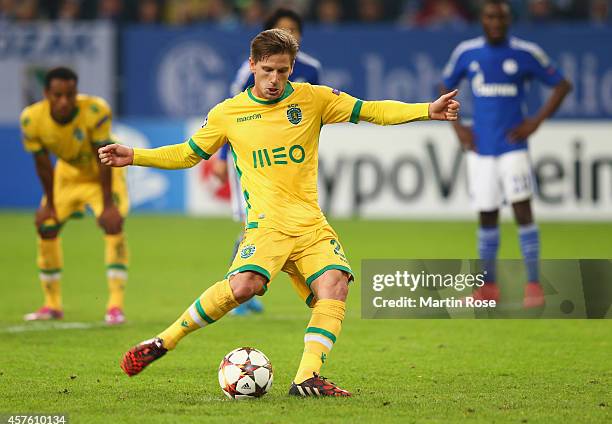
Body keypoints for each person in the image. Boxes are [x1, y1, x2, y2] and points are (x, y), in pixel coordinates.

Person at [99, 29, 459, 397]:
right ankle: (164, 341)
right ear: (252, 65)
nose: (275, 80)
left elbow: (371, 110)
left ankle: (306, 378)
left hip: (310, 226)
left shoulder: (313, 99)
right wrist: (136, 156)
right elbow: (189, 153)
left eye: (283, 71)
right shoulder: (229, 113)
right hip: (266, 227)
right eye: (268, 70)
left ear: (292, 69)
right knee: (244, 287)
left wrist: (426, 110)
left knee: (335, 283)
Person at [440, 0, 571, 308]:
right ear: (482, 20)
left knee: (522, 212)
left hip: (513, 147)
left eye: (500, 17)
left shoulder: (525, 53)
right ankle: (488, 287)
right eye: (490, 17)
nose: (495, 22)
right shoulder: (466, 53)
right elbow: (444, 85)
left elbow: (562, 84)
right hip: (481, 148)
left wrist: (535, 121)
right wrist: (458, 128)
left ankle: (534, 285)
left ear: (509, 20)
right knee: (487, 215)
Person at [213, 7, 322, 316]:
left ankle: (249, 285)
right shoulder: (251, 70)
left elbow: (313, 115)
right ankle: (238, 287)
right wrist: (222, 156)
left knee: (285, 226)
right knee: (254, 224)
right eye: (282, 29)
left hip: (290, 164)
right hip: (253, 158)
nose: (288, 35)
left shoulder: (311, 70)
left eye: (293, 30)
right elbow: (232, 115)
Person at [20, 66, 129, 324]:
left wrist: (106, 204)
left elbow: (102, 156)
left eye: (70, 95)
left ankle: (115, 306)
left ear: (75, 92)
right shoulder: (31, 119)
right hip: (67, 177)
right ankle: (52, 304)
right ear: (46, 93)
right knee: (46, 226)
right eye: (57, 95)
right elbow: (43, 163)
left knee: (113, 225)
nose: (64, 101)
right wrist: (49, 203)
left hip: (102, 176)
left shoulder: (95, 111)